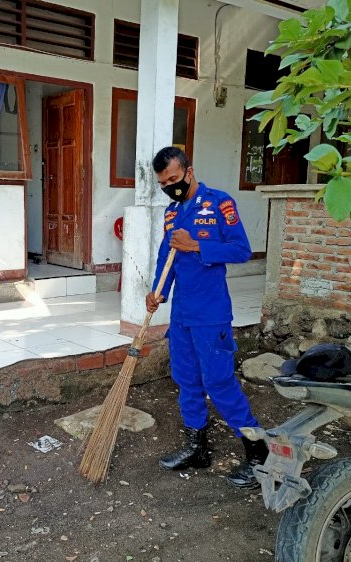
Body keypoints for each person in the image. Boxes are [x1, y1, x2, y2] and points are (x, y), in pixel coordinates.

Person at [145, 146, 267, 489]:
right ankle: (197, 448)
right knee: (186, 380)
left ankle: (259, 456)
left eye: (173, 179)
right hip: (182, 314)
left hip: (211, 314)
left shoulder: (219, 203)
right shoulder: (171, 213)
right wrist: (158, 292)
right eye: (163, 183)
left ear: (189, 171)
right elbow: (165, 259)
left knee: (219, 382)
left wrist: (197, 244)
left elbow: (241, 249)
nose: (170, 186)